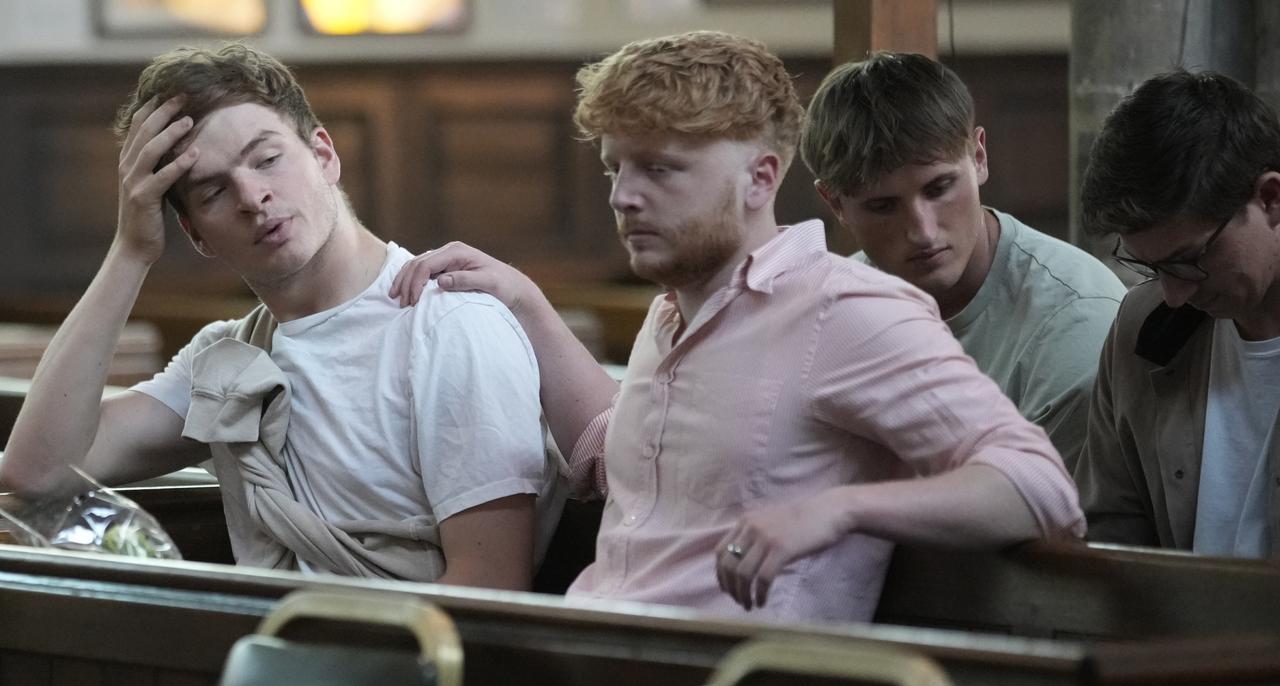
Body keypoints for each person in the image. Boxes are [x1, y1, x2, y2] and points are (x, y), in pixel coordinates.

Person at [390, 31, 1084, 623]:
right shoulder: (673, 309)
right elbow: (625, 464)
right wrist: (525, 303)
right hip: (598, 660)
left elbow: (1039, 488)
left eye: (661, 169)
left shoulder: (847, 310)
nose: (623, 197)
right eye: (616, 167)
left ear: (761, 178)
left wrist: (841, 510)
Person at [0, 43, 559, 589]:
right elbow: (37, 471)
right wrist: (130, 251)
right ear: (195, 235)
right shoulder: (228, 360)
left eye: (267, 159)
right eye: (214, 191)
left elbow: (490, 588)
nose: (252, 196)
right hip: (268, 652)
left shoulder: (447, 325)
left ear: (323, 154)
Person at [801, 52, 1126, 472]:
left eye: (939, 188)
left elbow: (1046, 523)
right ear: (835, 204)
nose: (922, 231)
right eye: (883, 206)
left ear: (979, 157)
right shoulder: (832, 310)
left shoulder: (1075, 319)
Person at [1076, 69, 1280, 557]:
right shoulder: (1144, 329)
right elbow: (1110, 531)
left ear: (1271, 199)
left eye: (1190, 260)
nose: (1173, 293)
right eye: (1151, 267)